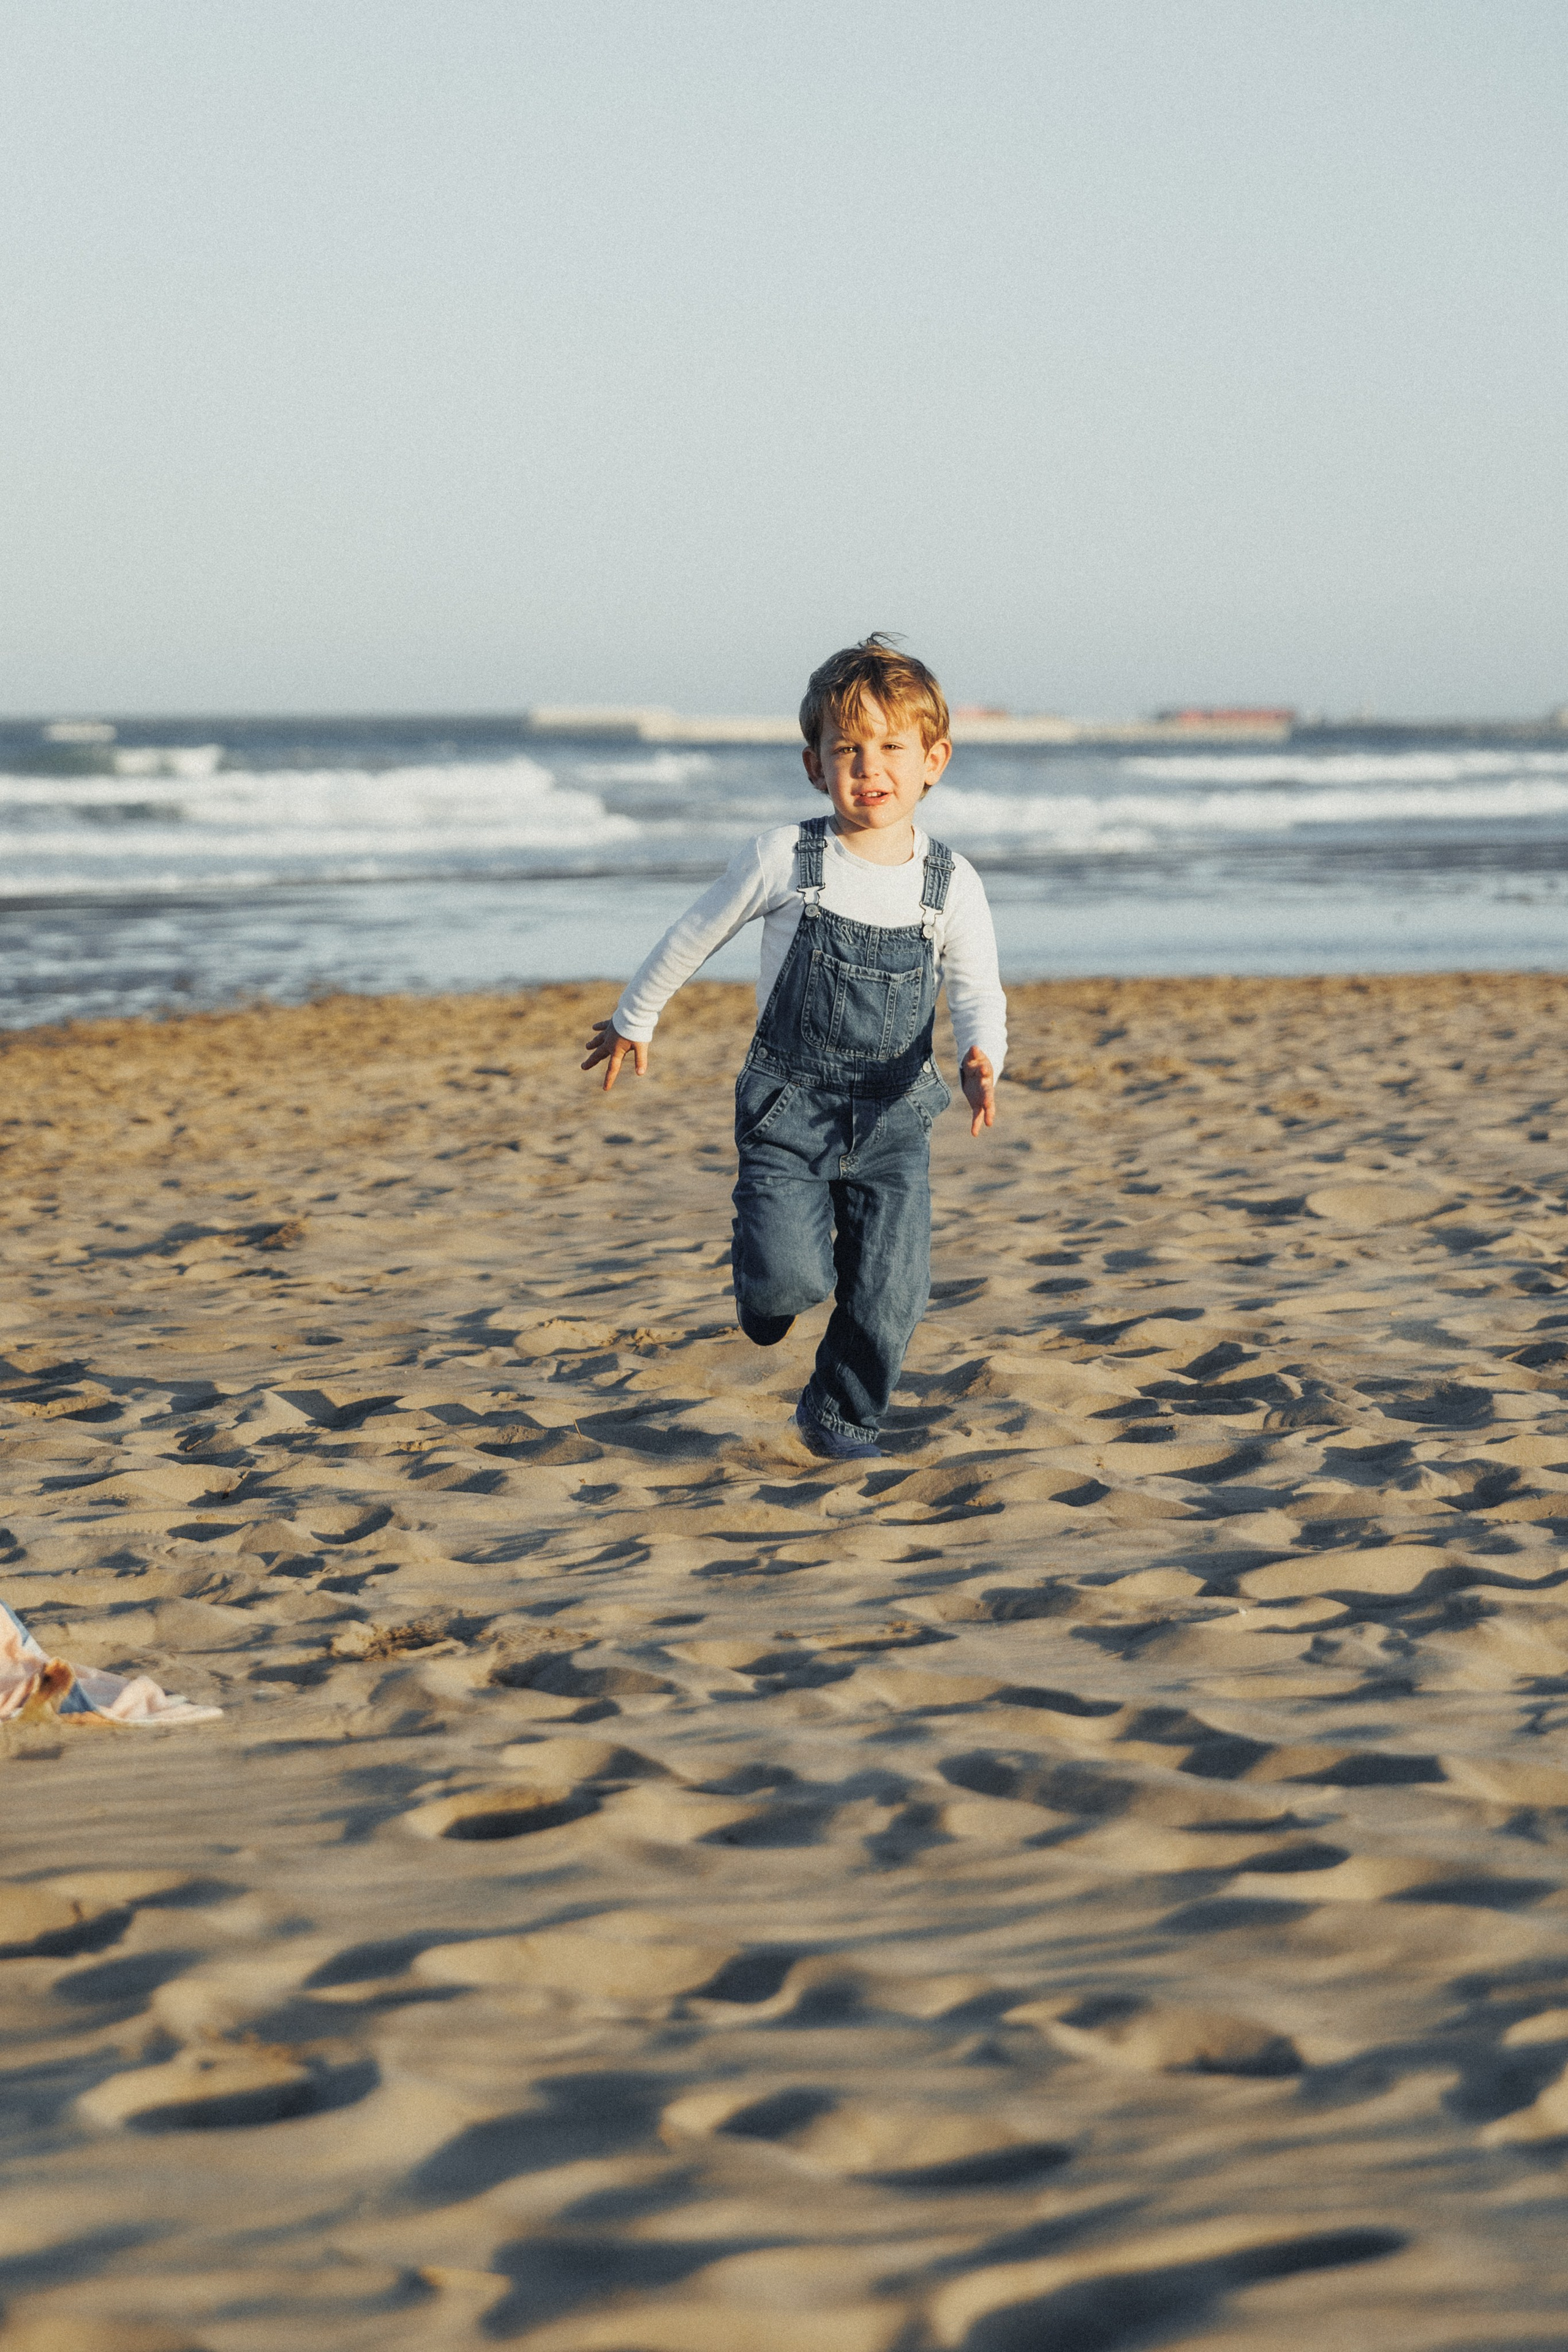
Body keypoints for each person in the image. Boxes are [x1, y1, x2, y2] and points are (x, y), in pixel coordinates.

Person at [581, 635, 1007, 1460]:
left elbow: (977, 988)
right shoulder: (786, 857)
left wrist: (982, 1058)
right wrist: (636, 1017)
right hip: (789, 1110)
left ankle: (841, 1417)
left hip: (893, 1121)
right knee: (792, 1282)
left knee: (892, 1293)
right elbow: (693, 934)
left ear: (934, 760)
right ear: (814, 765)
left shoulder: (951, 883)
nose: (869, 768)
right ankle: (762, 1282)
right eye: (847, 749)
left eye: (891, 747)